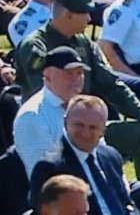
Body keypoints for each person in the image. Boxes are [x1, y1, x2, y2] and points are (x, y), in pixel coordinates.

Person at [14, 0, 140, 183]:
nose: (89, 19)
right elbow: (46, 94)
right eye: (84, 13)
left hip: (89, 125)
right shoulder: (36, 46)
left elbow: (111, 84)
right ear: (68, 15)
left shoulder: (84, 44)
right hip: (51, 129)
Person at [13, 46, 86, 177]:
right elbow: (44, 177)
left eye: (79, 73)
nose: (76, 79)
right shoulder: (32, 116)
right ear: (47, 76)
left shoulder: (82, 108)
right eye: (68, 73)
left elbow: (101, 157)